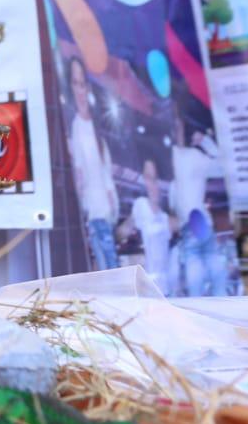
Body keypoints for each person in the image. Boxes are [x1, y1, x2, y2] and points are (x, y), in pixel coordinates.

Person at [66, 57, 119, 272]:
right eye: (75, 83)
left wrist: (112, 203)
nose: (80, 90)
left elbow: (106, 173)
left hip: (105, 213)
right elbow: (79, 173)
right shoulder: (75, 127)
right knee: (107, 267)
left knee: (111, 267)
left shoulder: (97, 129)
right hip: (93, 214)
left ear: (87, 86)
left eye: (82, 83)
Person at [170, 111, 230, 295]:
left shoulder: (172, 159)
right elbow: (222, 165)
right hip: (199, 219)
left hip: (188, 220)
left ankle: (198, 304)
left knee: (195, 263)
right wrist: (206, 142)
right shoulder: (192, 156)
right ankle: (220, 302)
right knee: (212, 263)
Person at [120, 157, 178, 293]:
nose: (151, 183)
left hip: (165, 287)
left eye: (154, 178)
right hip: (147, 288)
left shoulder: (164, 217)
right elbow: (122, 232)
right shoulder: (141, 206)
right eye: (147, 177)